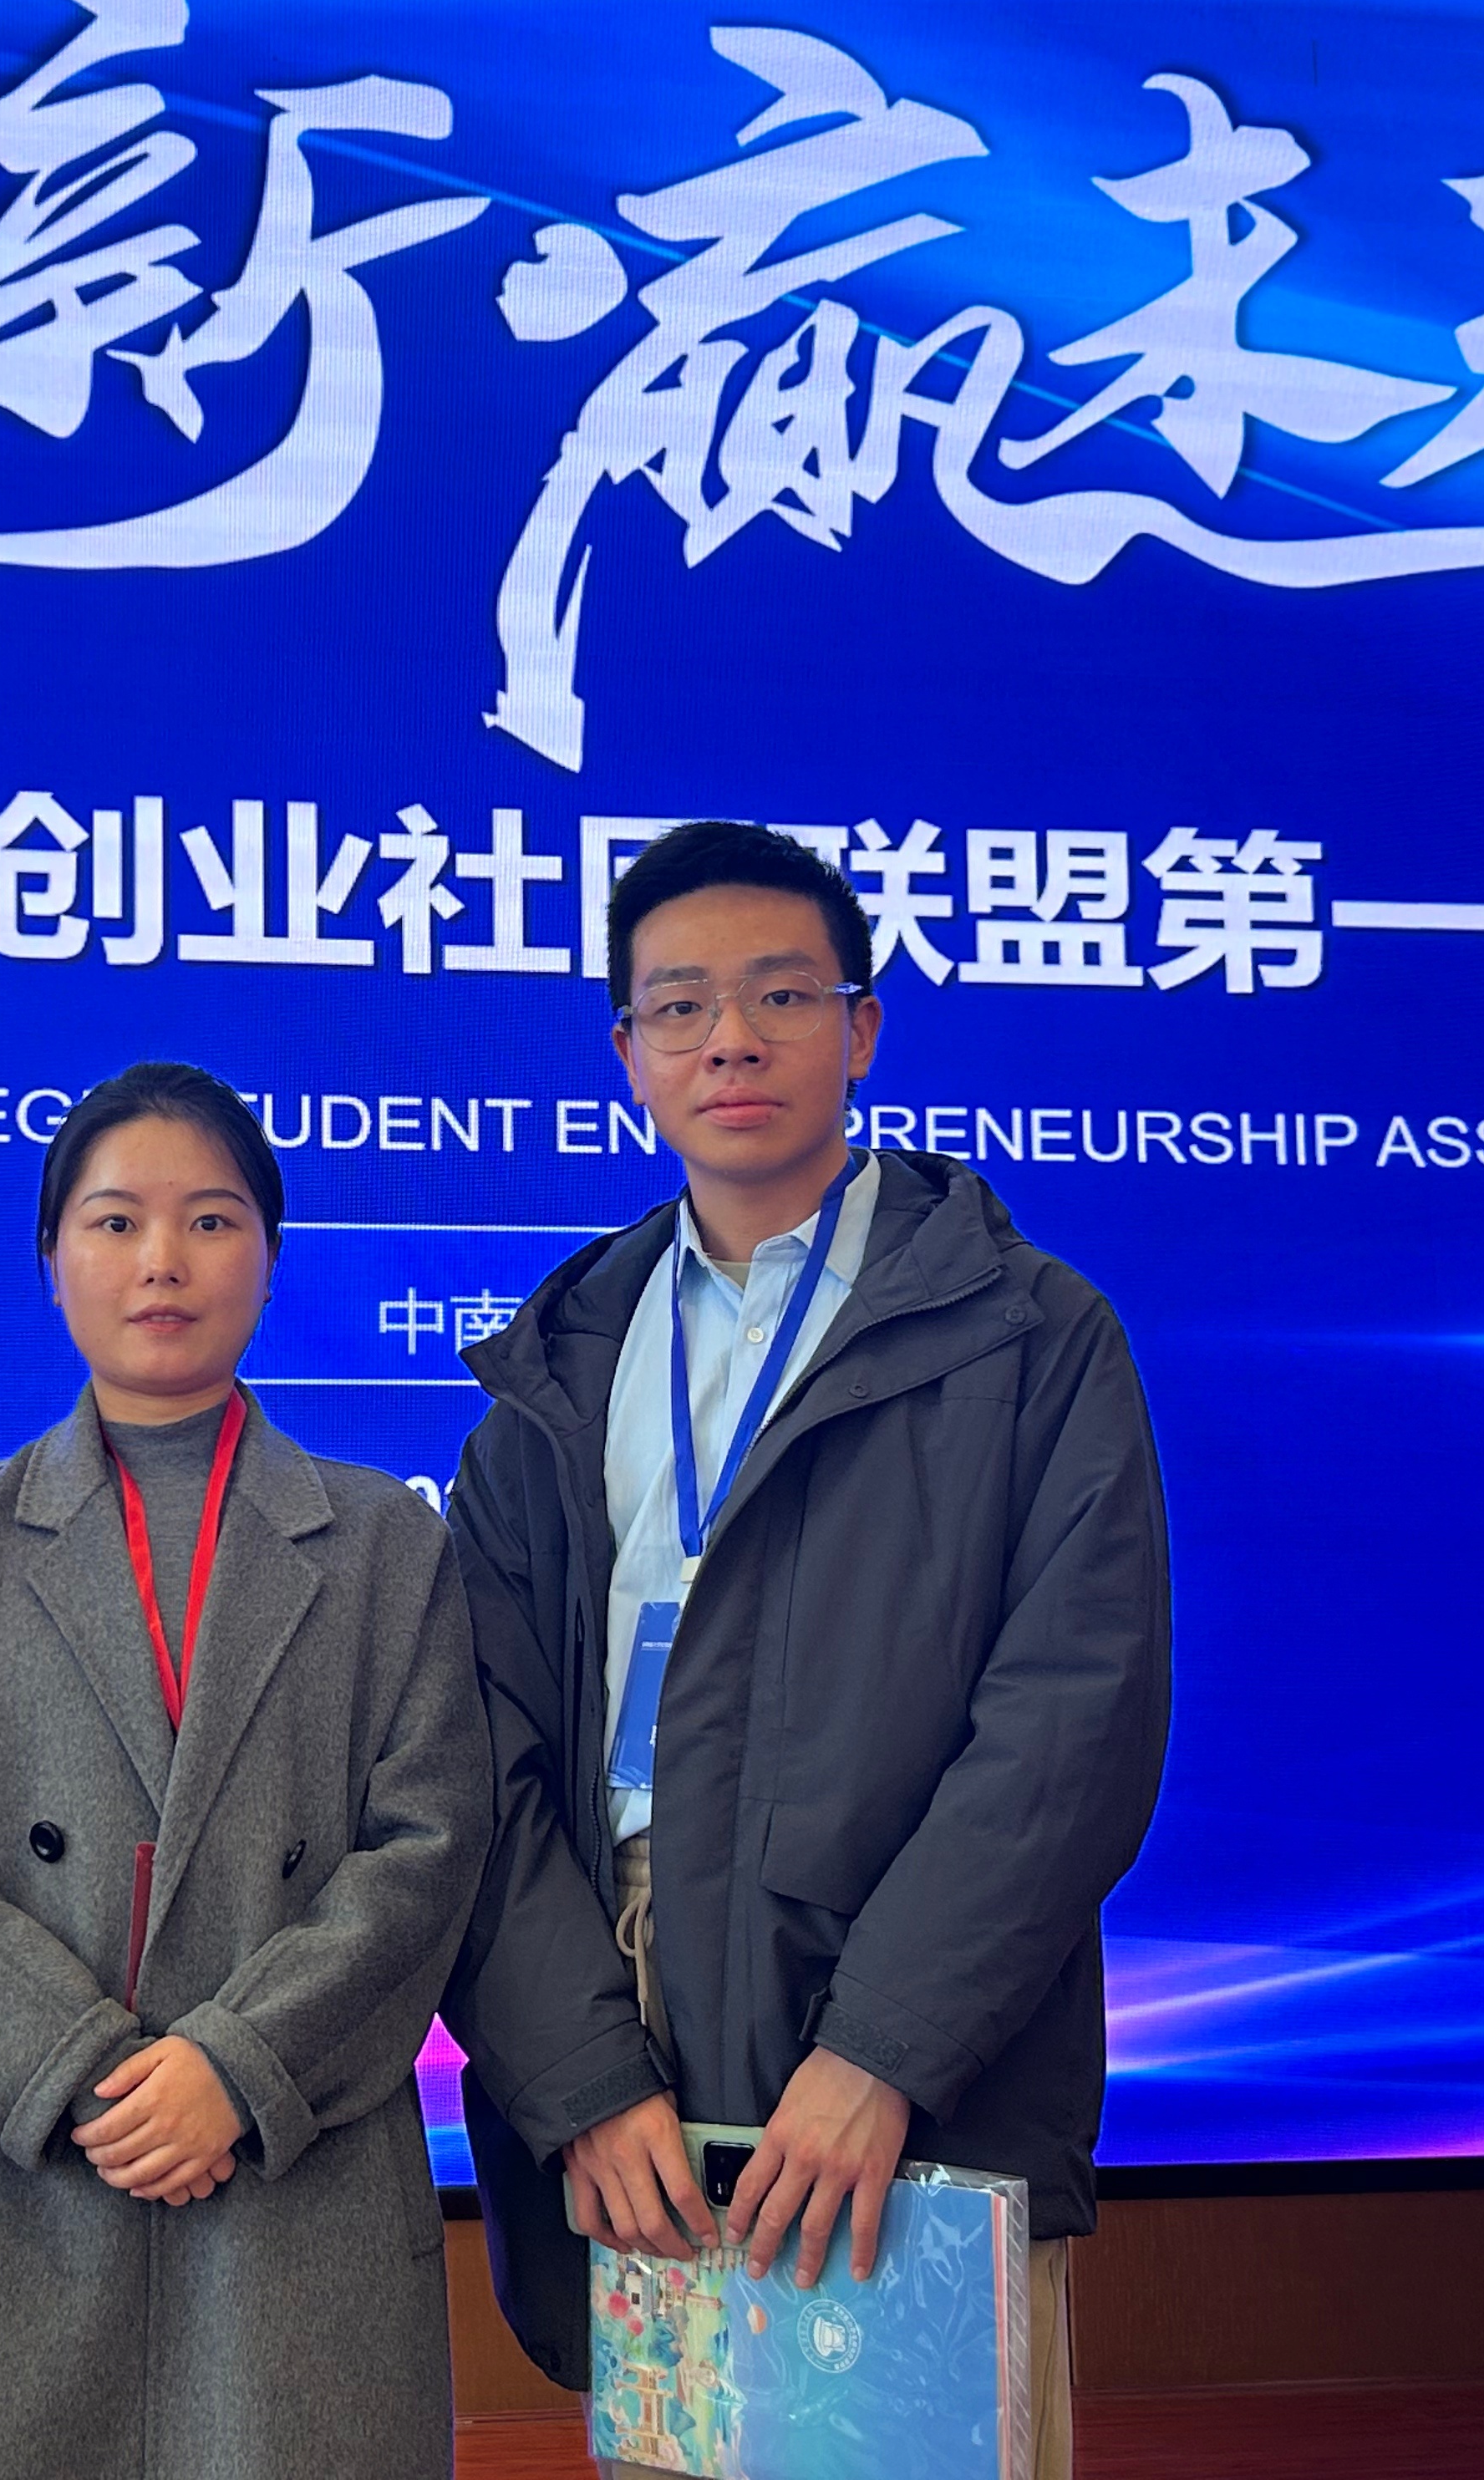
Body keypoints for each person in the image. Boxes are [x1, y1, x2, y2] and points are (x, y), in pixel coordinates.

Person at [442, 823, 1172, 2480]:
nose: (732, 1040)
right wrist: (577, 2072)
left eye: (781, 995)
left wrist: (885, 2052)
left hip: (907, 2024)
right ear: (627, 1052)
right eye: (680, 1007)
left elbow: (1072, 1726)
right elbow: (476, 1755)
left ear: (863, 1028)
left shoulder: (1030, 1336)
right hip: (625, 2010)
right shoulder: (563, 1362)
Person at [0, 1060, 490, 2480]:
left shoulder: (385, 1543)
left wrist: (237, 2066)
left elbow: (430, 1846)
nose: (162, 1260)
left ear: (270, 1258)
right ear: (51, 1261)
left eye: (210, 1220)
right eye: (115, 1221)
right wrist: (82, 2074)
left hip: (294, 2164)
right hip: (31, 2168)